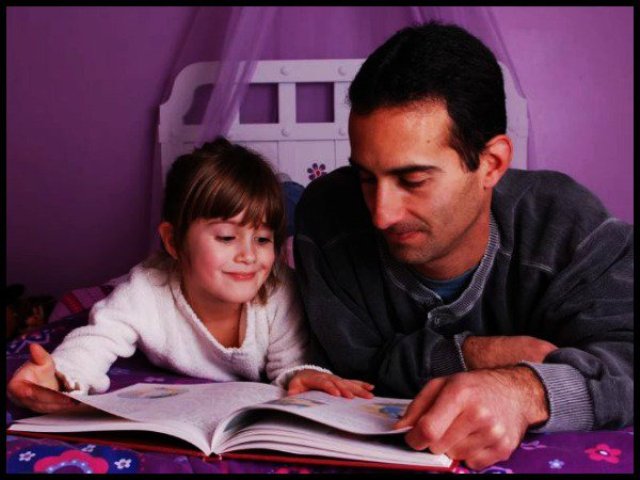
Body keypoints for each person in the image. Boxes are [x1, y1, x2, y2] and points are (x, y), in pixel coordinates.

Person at [293, 21, 633, 470]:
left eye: (413, 180)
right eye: (366, 177)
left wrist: (523, 390)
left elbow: (626, 360)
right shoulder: (326, 217)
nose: (381, 214)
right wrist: (476, 354)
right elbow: (354, 373)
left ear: (491, 164)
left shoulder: (569, 225)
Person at [8, 137, 374, 414]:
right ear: (173, 241)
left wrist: (304, 375)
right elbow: (97, 339)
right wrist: (59, 376)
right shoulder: (147, 290)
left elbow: (291, 362)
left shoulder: (278, 289)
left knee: (296, 207)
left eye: (263, 239)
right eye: (227, 237)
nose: (249, 256)